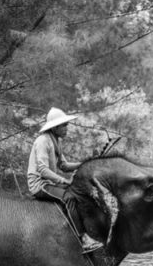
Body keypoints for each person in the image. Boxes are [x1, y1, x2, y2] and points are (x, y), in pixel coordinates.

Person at [27, 107, 103, 253]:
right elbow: (42, 170)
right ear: (55, 127)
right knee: (69, 197)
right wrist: (63, 181)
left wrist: (85, 164)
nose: (67, 128)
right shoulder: (43, 141)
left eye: (66, 124)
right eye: (64, 125)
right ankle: (82, 239)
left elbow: (63, 165)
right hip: (40, 184)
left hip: (49, 183)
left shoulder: (56, 141)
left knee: (79, 193)